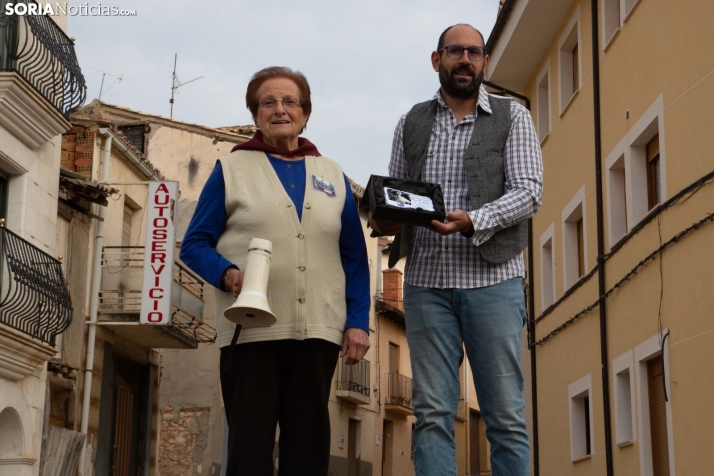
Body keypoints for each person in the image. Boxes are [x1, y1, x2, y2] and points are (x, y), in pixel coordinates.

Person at [179, 66, 370, 476]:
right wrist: (228, 272)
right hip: (250, 333)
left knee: (308, 451)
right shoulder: (231, 169)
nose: (280, 109)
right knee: (249, 450)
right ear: (255, 114)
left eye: (290, 102)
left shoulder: (331, 174)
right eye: (269, 102)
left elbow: (353, 256)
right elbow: (193, 245)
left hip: (318, 331)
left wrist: (357, 323)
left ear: (305, 113)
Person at [370, 24, 543, 475]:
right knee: (431, 416)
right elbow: (397, 194)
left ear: (484, 61)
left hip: (495, 281)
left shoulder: (514, 116)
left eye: (474, 52)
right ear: (437, 60)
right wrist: (385, 216)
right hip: (426, 285)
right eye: (455, 52)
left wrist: (474, 220)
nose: (464, 59)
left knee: (504, 416)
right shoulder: (411, 121)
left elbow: (529, 193)